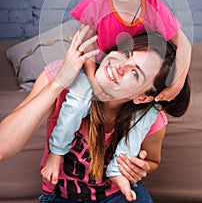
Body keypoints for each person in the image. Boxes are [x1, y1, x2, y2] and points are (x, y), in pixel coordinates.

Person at [42, 0, 192, 191]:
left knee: (148, 111)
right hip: (96, 68)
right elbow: (82, 48)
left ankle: (117, 170)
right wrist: (93, 79)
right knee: (76, 101)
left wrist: (178, 82)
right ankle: (56, 152)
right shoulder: (95, 3)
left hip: (131, 72)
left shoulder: (154, 8)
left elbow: (184, 46)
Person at [0, 27, 191, 202]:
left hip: (118, 195)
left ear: (142, 98)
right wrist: (58, 83)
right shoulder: (63, 76)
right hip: (61, 196)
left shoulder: (149, 118)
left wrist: (140, 168)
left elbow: (153, 161)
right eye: (126, 53)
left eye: (135, 73)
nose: (120, 66)